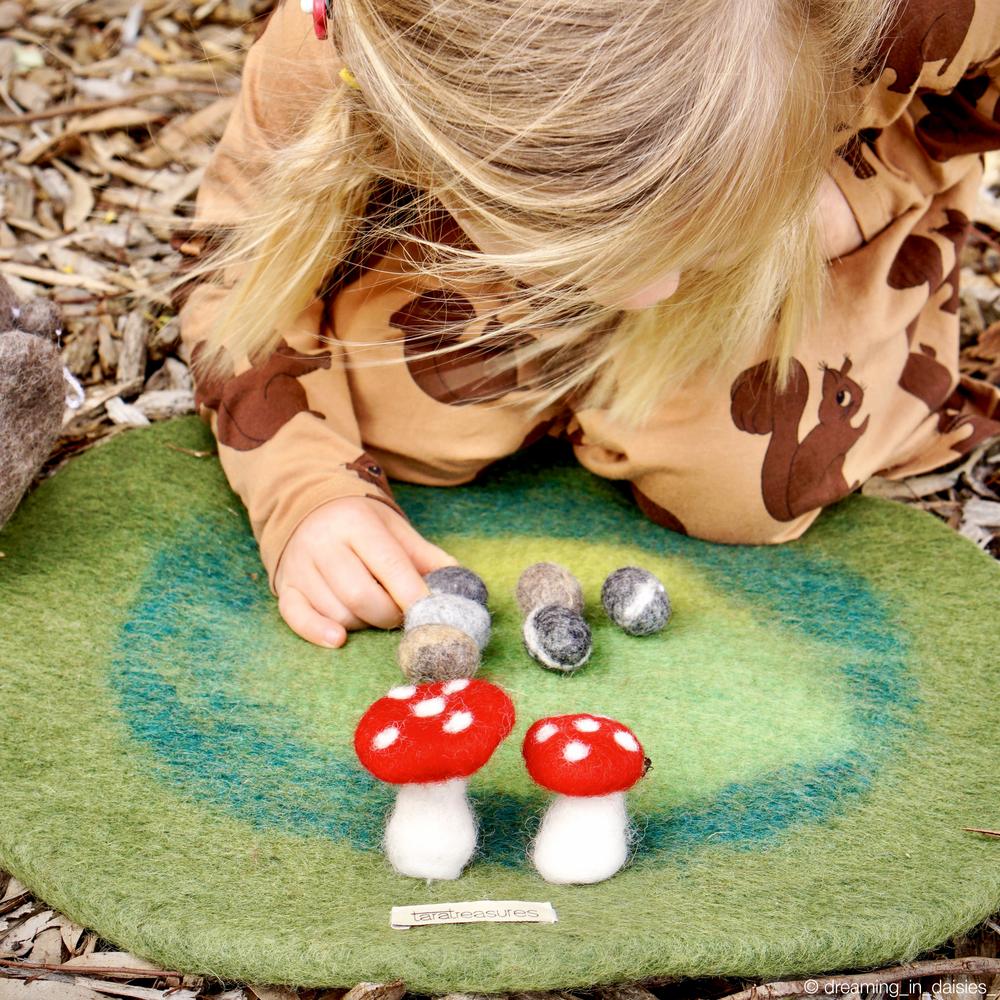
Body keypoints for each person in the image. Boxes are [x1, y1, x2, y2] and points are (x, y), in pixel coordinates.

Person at [168, 0, 1000, 649]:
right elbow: (236, 258)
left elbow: (978, 102)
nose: (658, 293)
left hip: (825, 175)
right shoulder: (345, 46)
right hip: (487, 190)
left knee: (745, 483)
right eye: (604, 256)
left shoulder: (929, 17)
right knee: (405, 421)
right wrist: (307, 493)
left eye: (685, 246)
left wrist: (859, 190)